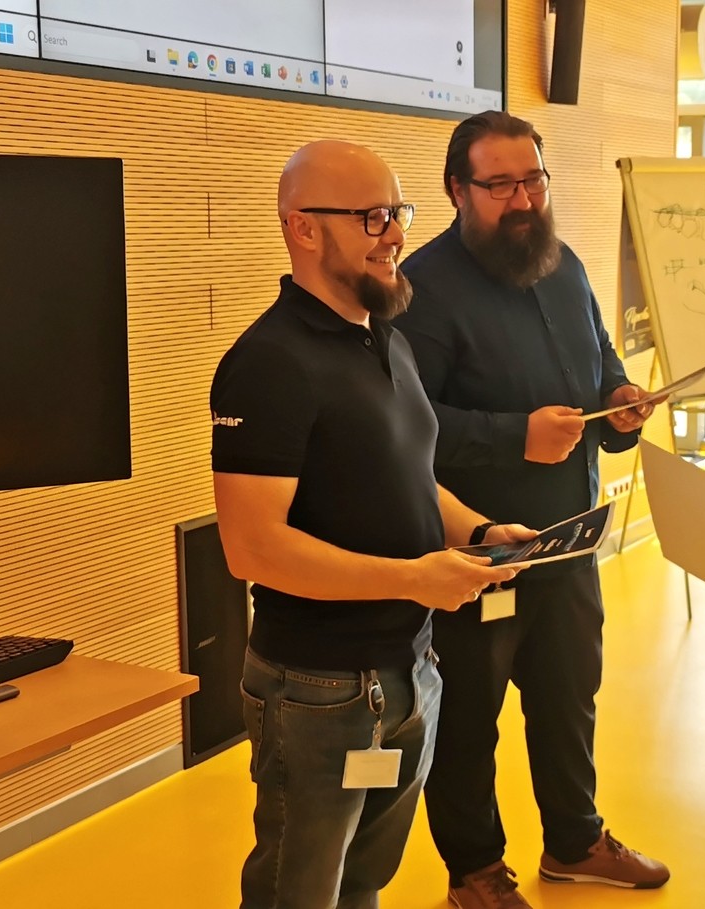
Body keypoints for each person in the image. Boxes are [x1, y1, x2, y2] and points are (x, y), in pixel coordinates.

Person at [210, 140, 526, 909]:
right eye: (373, 217)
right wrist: (414, 578)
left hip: (408, 673)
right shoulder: (267, 362)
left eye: (398, 212)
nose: (397, 234)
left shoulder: (386, 338)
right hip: (320, 694)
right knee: (298, 893)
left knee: (363, 882)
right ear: (303, 228)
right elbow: (252, 547)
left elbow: (410, 478)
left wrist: (478, 532)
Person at [392, 111, 668, 909]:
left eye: (534, 180)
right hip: (478, 554)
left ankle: (575, 840)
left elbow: (602, 362)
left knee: (569, 697)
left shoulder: (564, 263)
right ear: (457, 190)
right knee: (468, 720)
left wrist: (620, 400)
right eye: (502, 184)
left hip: (570, 541)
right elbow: (406, 424)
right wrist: (517, 437)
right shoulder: (422, 290)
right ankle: (474, 869)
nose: (523, 200)